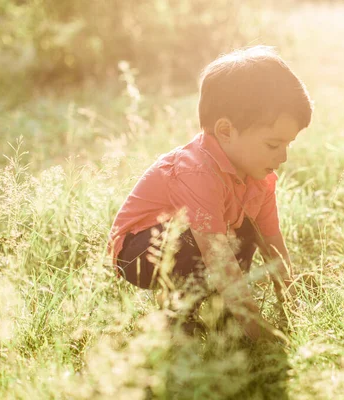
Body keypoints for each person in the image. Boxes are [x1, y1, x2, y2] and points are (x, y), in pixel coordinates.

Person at [107, 45, 313, 341]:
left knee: (247, 231)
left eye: (287, 145)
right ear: (226, 131)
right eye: (272, 145)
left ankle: (222, 308)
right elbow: (216, 254)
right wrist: (255, 327)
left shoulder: (261, 180)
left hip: (196, 240)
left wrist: (289, 298)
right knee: (198, 240)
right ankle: (179, 312)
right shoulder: (197, 171)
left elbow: (273, 243)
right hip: (139, 251)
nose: (282, 157)